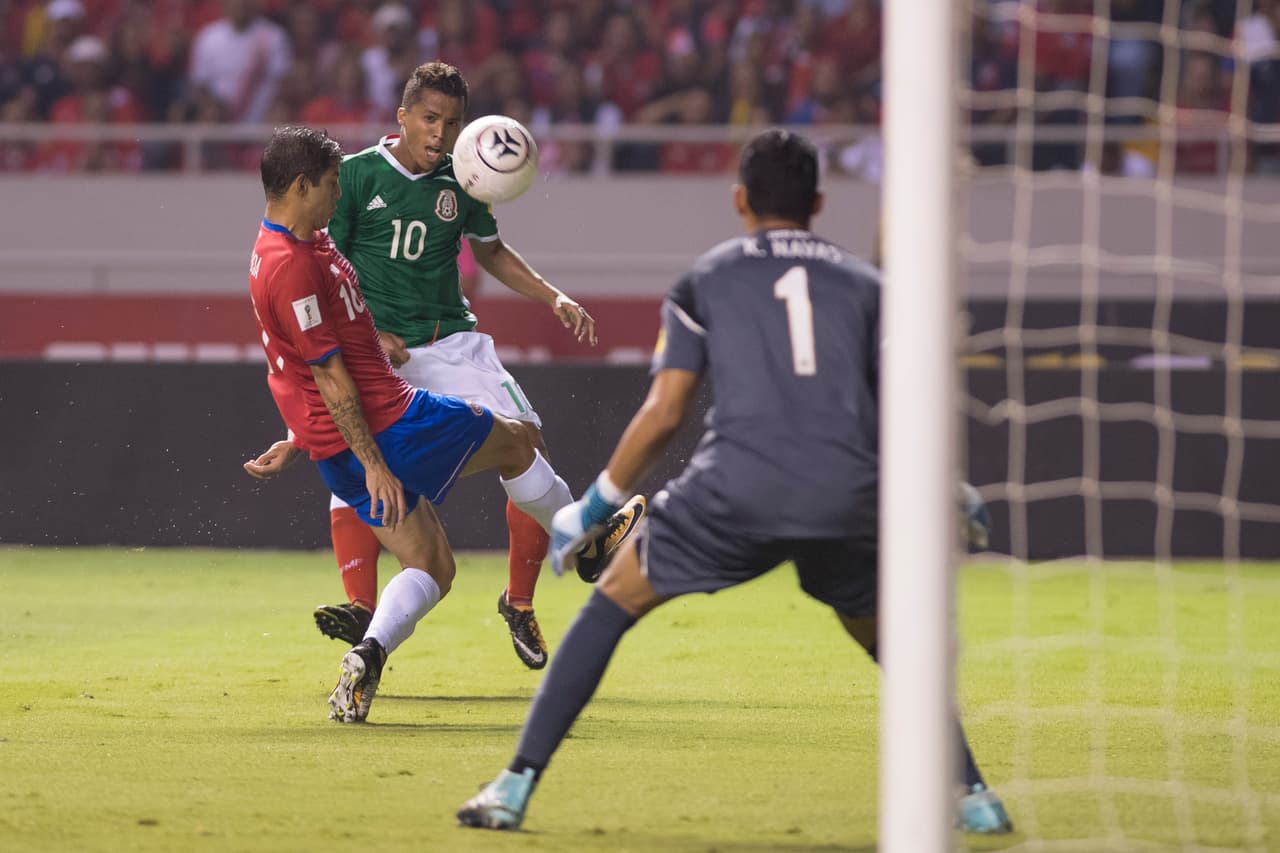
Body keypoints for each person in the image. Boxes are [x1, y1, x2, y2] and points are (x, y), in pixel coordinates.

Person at [455, 128, 1014, 835]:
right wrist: (952, 489)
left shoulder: (706, 278)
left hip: (738, 487)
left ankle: (513, 785)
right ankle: (974, 794)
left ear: (739, 200)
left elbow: (665, 412)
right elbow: (910, 405)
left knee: (611, 605)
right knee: (893, 644)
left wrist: (593, 505)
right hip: (845, 492)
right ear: (817, 200)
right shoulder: (873, 288)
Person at [241, 125, 639, 724]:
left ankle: (365, 659)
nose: (336, 195)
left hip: (338, 453)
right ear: (301, 186)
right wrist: (377, 463)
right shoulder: (291, 267)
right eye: (328, 185)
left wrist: (301, 439)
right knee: (520, 440)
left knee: (432, 567)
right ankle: (585, 541)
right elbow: (328, 374)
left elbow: (306, 365)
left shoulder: (292, 244)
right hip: (394, 422)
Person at [308, 61, 614, 672]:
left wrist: (552, 295)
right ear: (402, 116)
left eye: (451, 122)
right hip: (381, 356)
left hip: (453, 347)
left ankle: (519, 601)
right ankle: (362, 607)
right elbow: (327, 267)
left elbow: (492, 252)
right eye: (429, 118)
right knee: (352, 461)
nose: (440, 133)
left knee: (524, 441)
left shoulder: (465, 177)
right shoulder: (357, 176)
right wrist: (370, 334)